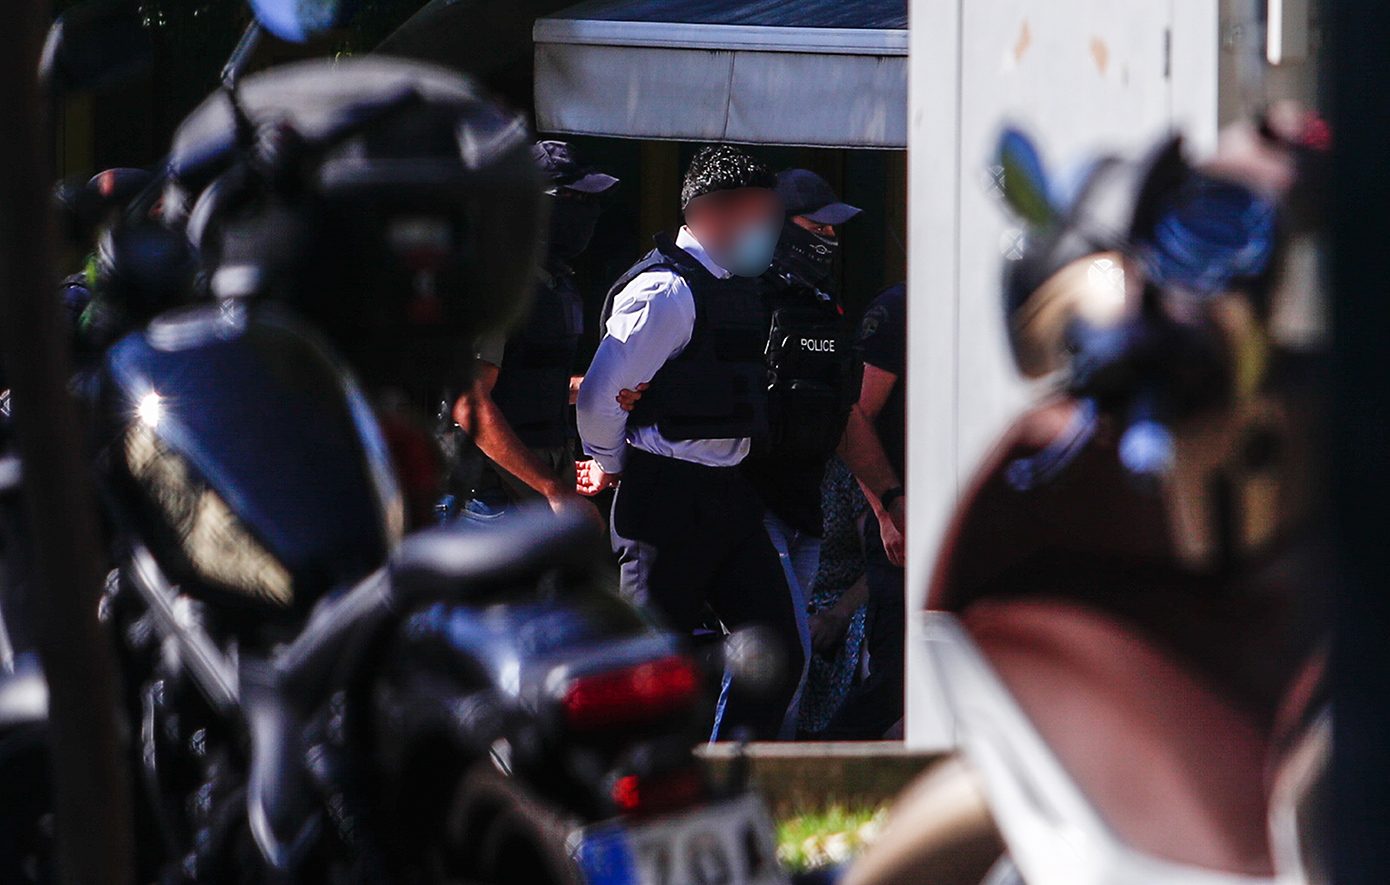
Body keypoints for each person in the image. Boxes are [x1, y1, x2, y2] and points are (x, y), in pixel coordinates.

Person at [575, 145, 803, 740]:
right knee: (649, 675)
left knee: (777, 656)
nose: (769, 229)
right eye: (758, 215)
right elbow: (599, 399)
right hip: (664, 497)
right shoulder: (665, 292)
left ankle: (728, 774)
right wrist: (615, 464)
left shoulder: (741, 287)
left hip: (728, 495)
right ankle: (633, 788)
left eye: (772, 215)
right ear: (711, 214)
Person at [746, 168, 863, 737]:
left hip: (807, 505)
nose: (830, 239)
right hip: (755, 503)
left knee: (788, 657)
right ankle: (750, 767)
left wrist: (885, 497)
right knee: (779, 652)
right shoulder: (745, 293)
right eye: (818, 227)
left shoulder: (824, 305)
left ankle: (774, 764)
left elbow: (845, 409)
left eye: (834, 230)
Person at [444, 140, 617, 521]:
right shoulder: (496, 282)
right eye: (572, 199)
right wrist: (553, 489)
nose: (585, 211)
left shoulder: (555, 282)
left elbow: (529, 383)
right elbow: (470, 402)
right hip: (490, 503)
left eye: (589, 201)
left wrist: (604, 390)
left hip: (536, 499)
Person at [824, 282, 907, 739]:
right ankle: (821, 767)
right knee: (894, 681)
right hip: (902, 516)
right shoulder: (897, 310)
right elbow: (854, 418)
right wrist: (886, 511)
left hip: (966, 516)